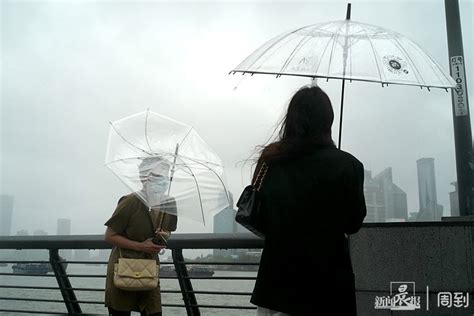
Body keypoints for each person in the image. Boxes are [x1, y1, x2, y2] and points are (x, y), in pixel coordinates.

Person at [249, 85, 367, 315]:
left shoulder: (271, 160)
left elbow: (261, 219)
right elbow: (353, 224)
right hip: (328, 286)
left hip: (277, 286)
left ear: (291, 119)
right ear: (328, 121)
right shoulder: (349, 165)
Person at [104, 157, 178, 316]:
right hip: (123, 268)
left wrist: (163, 236)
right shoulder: (130, 201)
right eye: (157, 176)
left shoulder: (169, 204)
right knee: (120, 310)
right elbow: (110, 236)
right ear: (144, 178)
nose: (162, 180)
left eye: (165, 176)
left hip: (150, 269)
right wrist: (140, 246)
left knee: (153, 310)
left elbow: (169, 231)